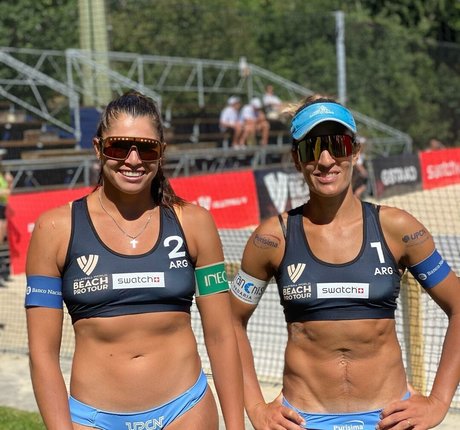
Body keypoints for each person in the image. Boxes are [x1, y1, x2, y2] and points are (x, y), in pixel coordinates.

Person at [230, 95, 460, 430]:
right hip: (304, 420)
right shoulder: (272, 238)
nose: (325, 160)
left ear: (355, 151)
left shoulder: (398, 228)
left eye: (337, 145)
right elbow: (229, 322)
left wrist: (439, 402)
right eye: (312, 149)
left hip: (388, 420)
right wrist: (254, 406)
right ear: (296, 159)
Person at [25, 90, 244, 430]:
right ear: (98, 148)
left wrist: (236, 425)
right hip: (94, 419)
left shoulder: (194, 223)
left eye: (146, 148)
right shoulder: (55, 229)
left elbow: (221, 336)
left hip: (186, 411)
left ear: (162, 153)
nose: (133, 159)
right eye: (119, 147)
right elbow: (42, 354)